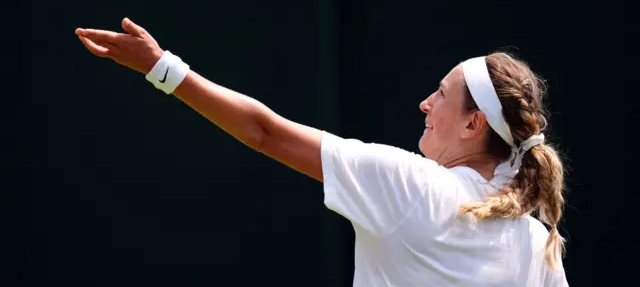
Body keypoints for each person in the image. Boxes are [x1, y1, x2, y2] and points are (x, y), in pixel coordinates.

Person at [76, 18, 569, 286]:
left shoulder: (411, 186)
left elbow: (264, 132)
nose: (426, 103)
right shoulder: (537, 244)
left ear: (472, 123)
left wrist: (160, 67)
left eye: (441, 93)